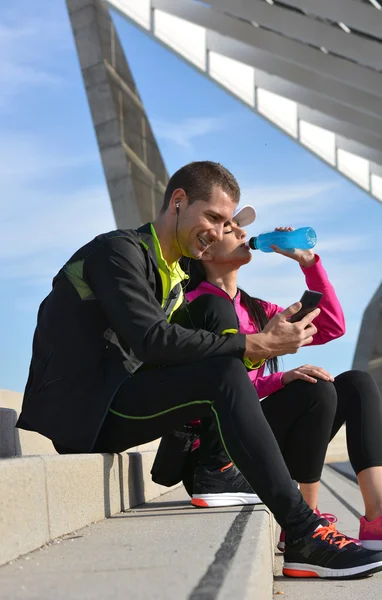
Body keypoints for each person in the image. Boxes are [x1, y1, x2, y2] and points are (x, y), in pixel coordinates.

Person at [17, 161, 382, 578]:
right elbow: (151, 339)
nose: (220, 229)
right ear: (178, 202)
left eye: (226, 221)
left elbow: (325, 322)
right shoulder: (118, 252)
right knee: (223, 375)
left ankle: (309, 523)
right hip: (83, 409)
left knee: (296, 382)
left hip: (118, 398)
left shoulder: (176, 273)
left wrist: (306, 261)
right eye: (214, 217)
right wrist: (256, 346)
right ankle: (300, 529)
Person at [177, 205, 382, 553]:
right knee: (313, 390)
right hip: (216, 451)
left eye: (240, 228)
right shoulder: (195, 306)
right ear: (205, 249)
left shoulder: (258, 310)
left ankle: (376, 518)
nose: (243, 234)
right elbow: (213, 386)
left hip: (256, 436)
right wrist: (281, 379)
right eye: (230, 229)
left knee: (357, 384)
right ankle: (306, 518)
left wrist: (308, 263)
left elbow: (331, 326)